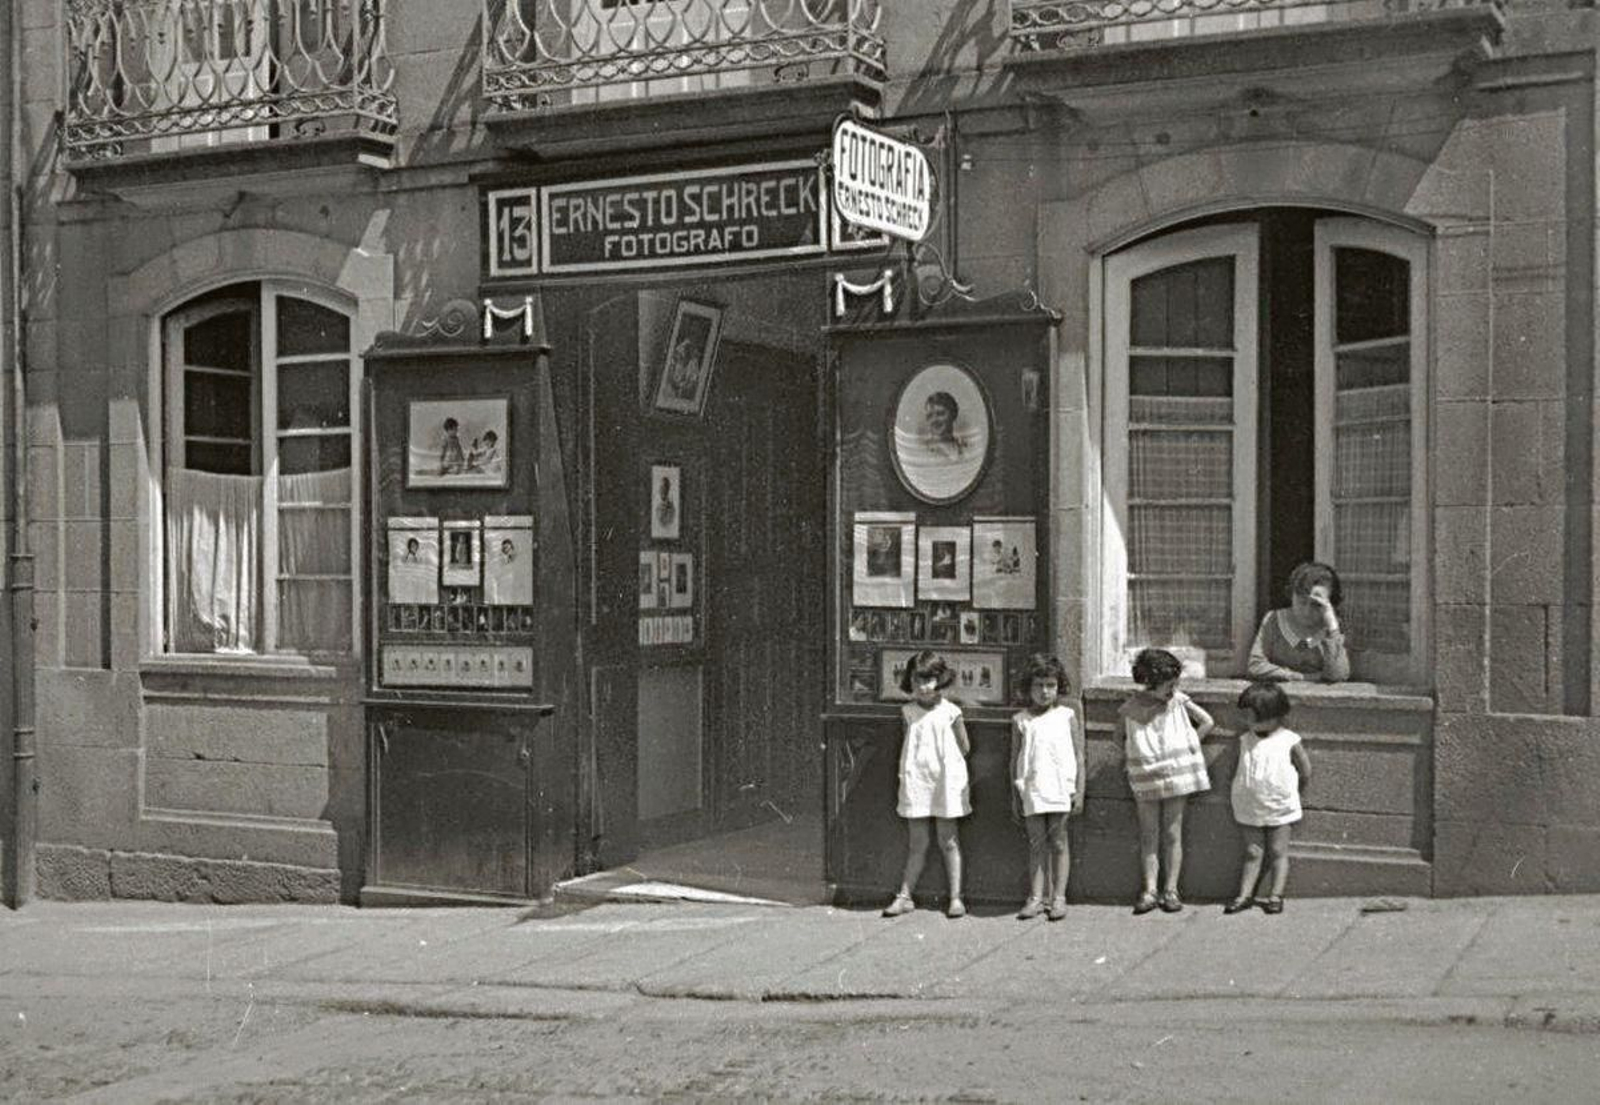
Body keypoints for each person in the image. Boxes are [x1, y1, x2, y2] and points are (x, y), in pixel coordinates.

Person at [1119, 647, 1215, 914]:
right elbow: (1119, 738)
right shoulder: (1132, 708)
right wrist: (1135, 755)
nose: (1172, 690)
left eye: (1175, 685)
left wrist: (1188, 745)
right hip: (1146, 774)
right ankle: (1150, 889)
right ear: (1149, 681)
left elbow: (1207, 721)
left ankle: (1171, 889)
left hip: (1176, 774)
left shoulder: (1179, 702)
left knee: (1173, 833)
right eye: (1168, 685)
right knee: (1149, 834)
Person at [882, 650, 972, 920]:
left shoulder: (951, 712)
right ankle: (905, 895)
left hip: (945, 783)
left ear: (940, 680)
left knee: (949, 840)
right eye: (917, 680)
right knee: (917, 842)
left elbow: (964, 747)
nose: (923, 687)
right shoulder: (907, 712)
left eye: (929, 680)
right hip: (917, 783)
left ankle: (956, 897)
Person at [1010, 654, 1085, 921]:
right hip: (1032, 788)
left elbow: (1078, 756)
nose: (1044, 692)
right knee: (1036, 843)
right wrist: (1015, 797)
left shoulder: (1067, 716)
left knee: (1059, 840)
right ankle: (1035, 897)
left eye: (1050, 685)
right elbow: (1015, 760)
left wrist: (1080, 790)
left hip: (1061, 787)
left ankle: (1059, 897)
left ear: (1058, 686)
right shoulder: (1021, 720)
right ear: (1028, 687)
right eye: (1039, 685)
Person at [1225, 682, 1312, 915]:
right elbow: (1237, 769)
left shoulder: (1289, 739)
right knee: (1253, 852)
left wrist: (1293, 790)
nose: (1246, 722)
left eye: (1251, 717)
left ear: (1272, 716)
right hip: (1249, 804)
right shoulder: (1245, 740)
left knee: (1277, 851)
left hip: (1279, 805)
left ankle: (1275, 895)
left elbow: (1305, 769)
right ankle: (1244, 895)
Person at [1248, 561, 1350, 682]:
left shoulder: (1333, 628)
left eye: (1316, 605)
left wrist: (1332, 625)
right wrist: (1301, 677)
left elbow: (1339, 675)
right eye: (1301, 602)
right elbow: (1255, 666)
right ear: (1291, 595)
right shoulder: (1274, 620)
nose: (1307, 611)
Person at [921, 391, 964, 459]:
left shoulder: (963, 446)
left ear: (953, 414)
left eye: (940, 414)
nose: (934, 420)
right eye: (930, 416)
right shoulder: (923, 451)